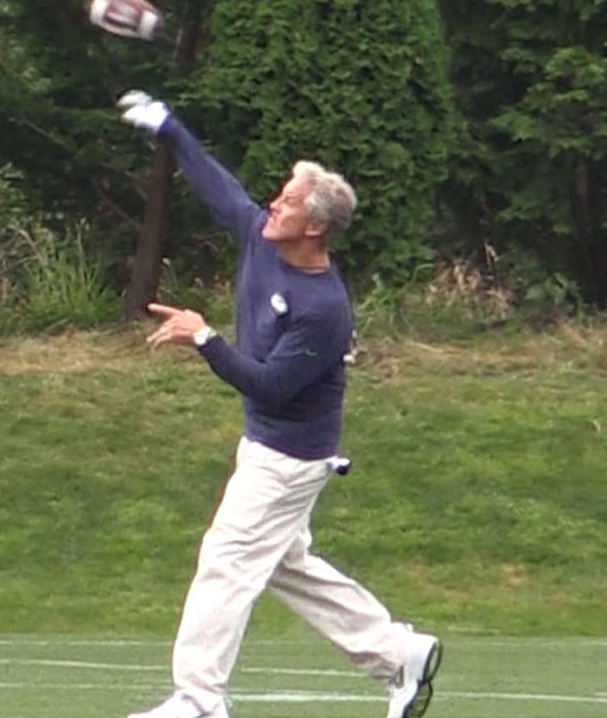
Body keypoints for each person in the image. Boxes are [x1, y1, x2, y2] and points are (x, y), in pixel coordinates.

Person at [116, 90, 443, 718]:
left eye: (288, 202)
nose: (273, 204)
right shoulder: (263, 238)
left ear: (314, 226)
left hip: (290, 456)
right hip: (267, 443)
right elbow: (219, 187)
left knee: (227, 559)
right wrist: (170, 128)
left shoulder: (324, 309)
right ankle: (398, 654)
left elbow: (268, 385)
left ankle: (198, 700)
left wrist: (203, 337)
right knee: (284, 563)